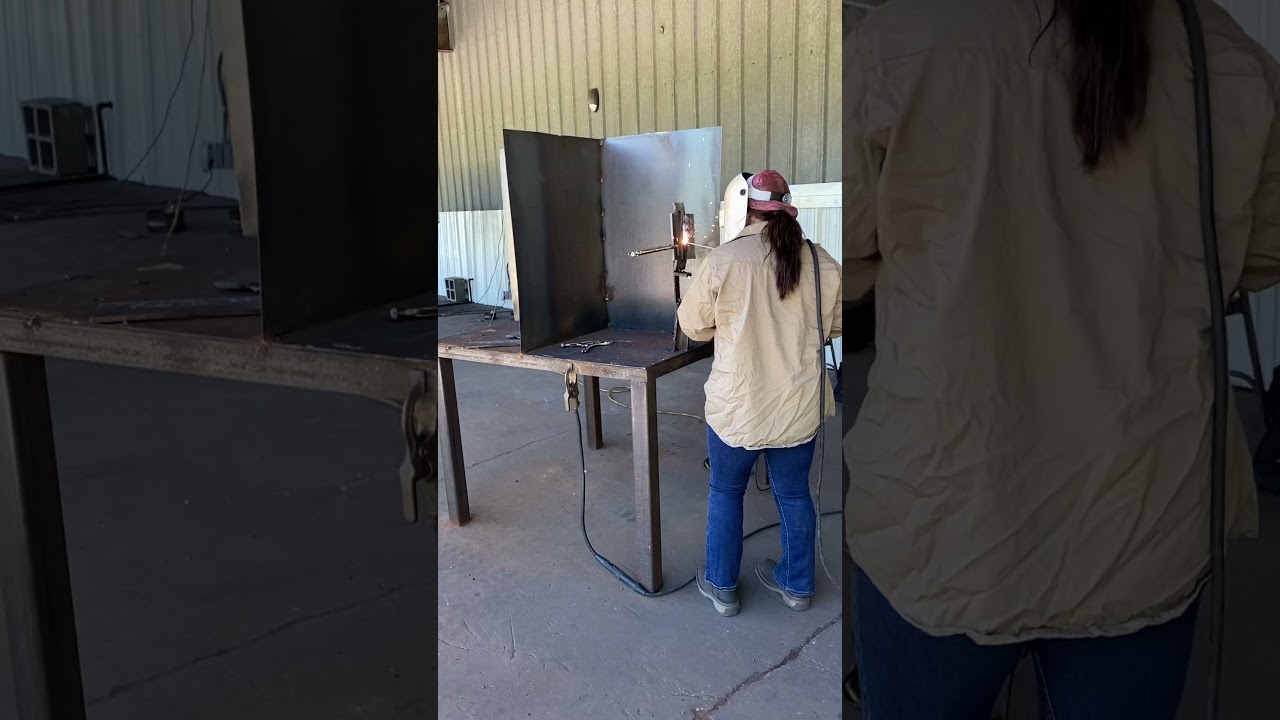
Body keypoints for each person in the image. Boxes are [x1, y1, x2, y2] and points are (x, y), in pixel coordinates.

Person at [845, 0, 1280, 717]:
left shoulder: (900, 37)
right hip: (1140, 529)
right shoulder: (1224, 55)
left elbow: (848, 257)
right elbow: (1256, 253)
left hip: (946, 524)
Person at [677, 169, 843, 617]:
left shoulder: (725, 260)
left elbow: (691, 324)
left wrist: (731, 322)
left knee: (726, 491)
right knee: (794, 495)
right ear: (787, 208)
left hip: (738, 409)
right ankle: (797, 586)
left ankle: (722, 587)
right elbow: (841, 321)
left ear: (746, 209)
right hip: (797, 409)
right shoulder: (820, 260)